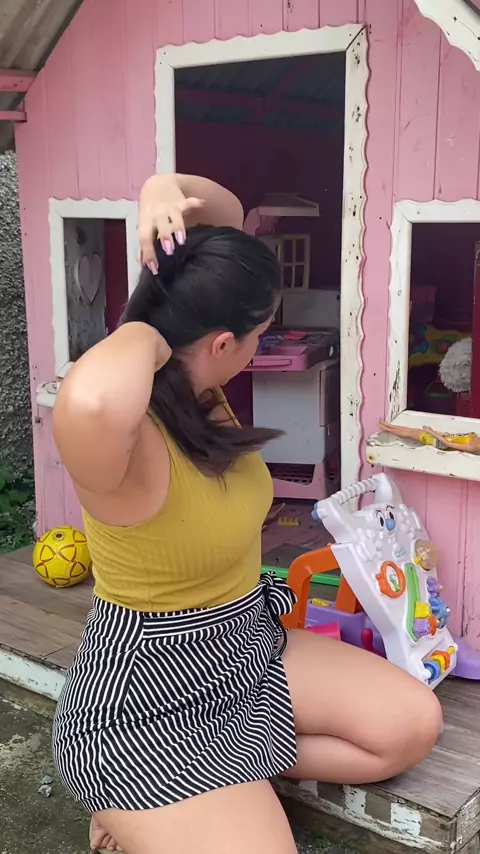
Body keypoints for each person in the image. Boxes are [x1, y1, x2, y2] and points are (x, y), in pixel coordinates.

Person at [52, 173, 442, 854]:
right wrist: (147, 327)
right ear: (220, 343)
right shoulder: (121, 440)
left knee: (410, 728)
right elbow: (88, 400)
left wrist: (162, 190)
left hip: (245, 649)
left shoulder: (200, 391)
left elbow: (227, 220)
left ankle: (225, 776)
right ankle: (136, 797)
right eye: (259, 335)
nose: (263, 346)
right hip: (144, 705)